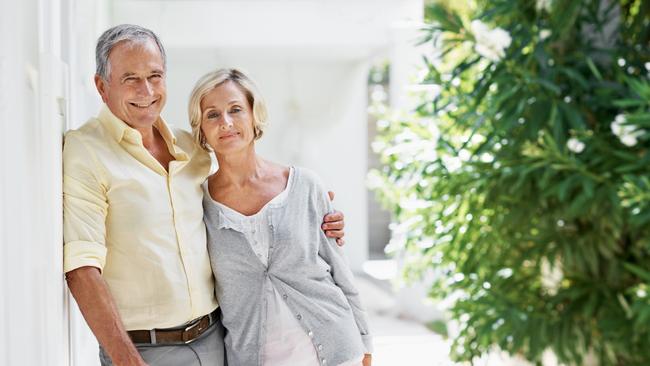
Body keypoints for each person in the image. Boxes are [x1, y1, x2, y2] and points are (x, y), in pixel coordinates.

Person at [63, 24, 346, 366]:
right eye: (130, 79)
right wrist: (126, 359)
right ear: (101, 86)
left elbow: (242, 191)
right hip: (144, 350)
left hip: (216, 340)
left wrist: (311, 210)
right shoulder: (86, 150)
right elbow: (81, 268)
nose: (147, 90)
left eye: (155, 76)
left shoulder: (191, 150)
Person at [188, 68, 373, 366]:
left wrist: (365, 344)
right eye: (212, 114)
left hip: (336, 350)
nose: (226, 123)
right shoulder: (196, 203)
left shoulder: (304, 186)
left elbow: (341, 271)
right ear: (201, 129)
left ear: (253, 115)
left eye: (236, 109)